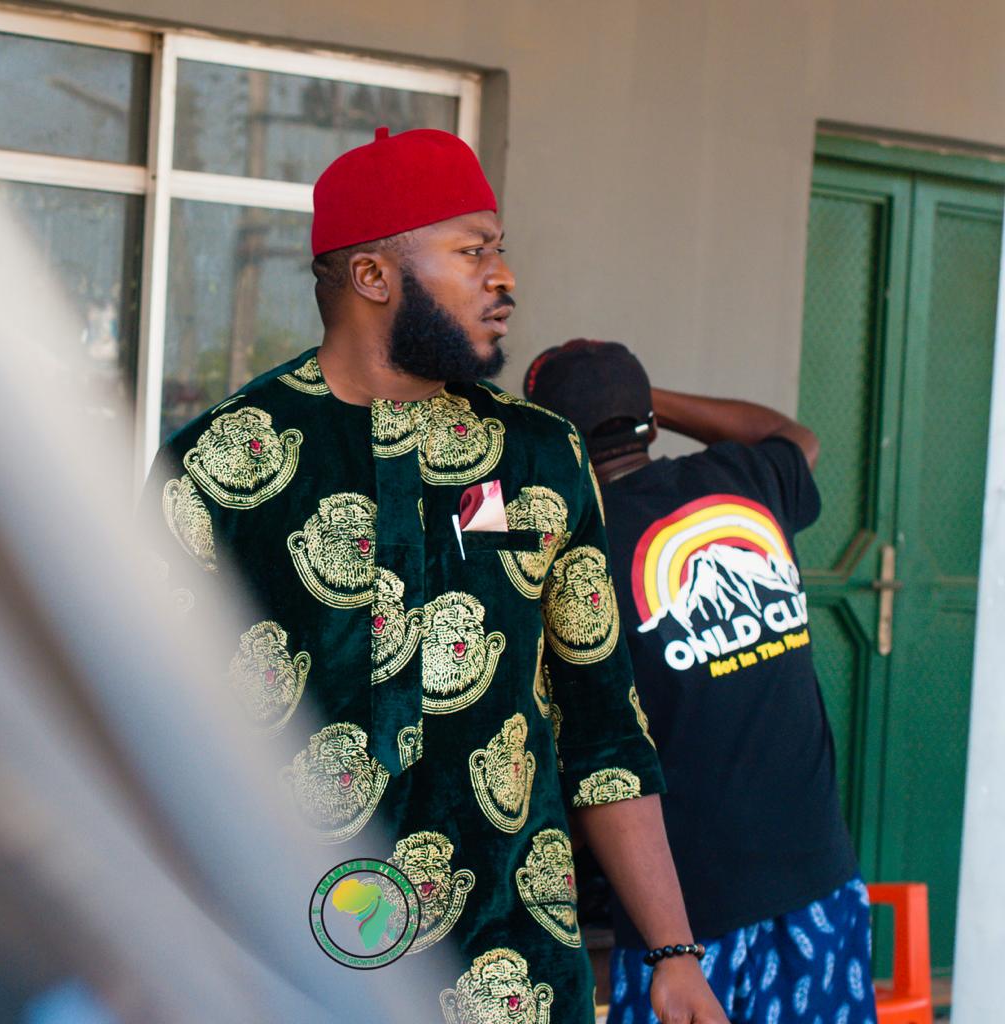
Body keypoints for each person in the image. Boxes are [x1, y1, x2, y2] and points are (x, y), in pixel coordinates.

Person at [145, 129, 725, 1024]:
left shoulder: (542, 456)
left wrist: (673, 952)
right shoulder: (218, 463)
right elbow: (147, 726)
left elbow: (604, 723)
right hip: (285, 963)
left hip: (514, 965)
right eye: (473, 251)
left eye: (501, 250)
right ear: (373, 276)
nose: (506, 278)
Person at [525, 339, 878, 1024]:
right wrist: (645, 398)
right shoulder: (746, 478)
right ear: (650, 425)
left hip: (683, 924)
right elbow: (794, 434)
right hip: (820, 882)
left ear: (560, 444)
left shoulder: (572, 549)